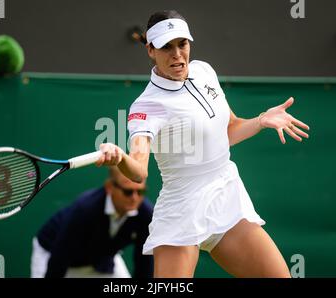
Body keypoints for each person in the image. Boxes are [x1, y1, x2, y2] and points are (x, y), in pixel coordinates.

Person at [95, 10, 311, 278]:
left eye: (182, 44)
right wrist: (120, 158)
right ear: (151, 50)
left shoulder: (204, 71)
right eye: (166, 47)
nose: (177, 54)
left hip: (225, 196)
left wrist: (261, 120)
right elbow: (138, 170)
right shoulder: (147, 106)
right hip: (182, 210)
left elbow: (229, 130)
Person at [30, 166, 154, 278]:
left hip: (100, 260)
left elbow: (144, 263)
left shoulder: (145, 214)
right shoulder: (86, 209)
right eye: (128, 192)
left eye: (140, 192)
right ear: (110, 187)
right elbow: (60, 256)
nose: (135, 198)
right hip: (52, 254)